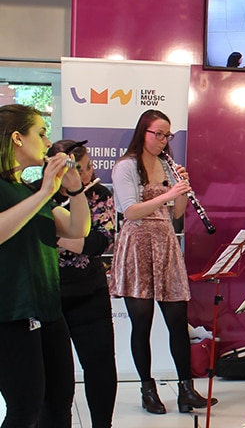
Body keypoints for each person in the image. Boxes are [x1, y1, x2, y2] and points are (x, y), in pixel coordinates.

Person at [109, 109, 212, 414]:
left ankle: (186, 390)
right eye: (159, 134)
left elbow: (177, 212)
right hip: (137, 245)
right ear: (144, 132)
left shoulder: (168, 165)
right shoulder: (126, 166)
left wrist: (182, 188)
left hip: (165, 243)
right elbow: (130, 211)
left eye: (168, 135)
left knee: (178, 322)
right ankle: (148, 390)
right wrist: (167, 194)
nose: (164, 140)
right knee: (141, 325)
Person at [0, 104, 90, 427]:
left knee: (59, 401)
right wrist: (44, 192)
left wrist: (75, 188)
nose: (47, 139)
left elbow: (78, 230)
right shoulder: (23, 192)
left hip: (48, 310)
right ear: (17, 139)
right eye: (40, 133)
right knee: (24, 406)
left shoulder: (30, 190)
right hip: (11, 313)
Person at [47, 140, 118, 428]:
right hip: (51, 295)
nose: (88, 174)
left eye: (89, 167)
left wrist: (56, 236)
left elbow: (99, 242)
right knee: (55, 376)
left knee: (100, 367)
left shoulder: (100, 194)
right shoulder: (39, 194)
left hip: (91, 292)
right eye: (81, 168)